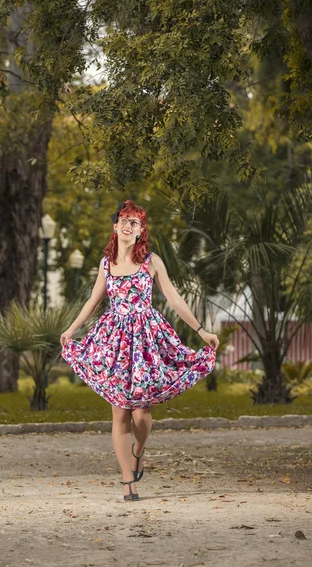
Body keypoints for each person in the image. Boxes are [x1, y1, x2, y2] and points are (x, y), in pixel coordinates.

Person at [60, 200, 219, 501]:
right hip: (114, 343)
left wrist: (202, 330)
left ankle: (139, 449)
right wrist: (71, 330)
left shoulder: (151, 262)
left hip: (146, 342)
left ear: (141, 230)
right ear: (115, 226)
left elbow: (175, 300)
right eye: (124, 219)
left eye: (135, 222)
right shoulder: (106, 264)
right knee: (120, 413)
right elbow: (92, 301)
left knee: (142, 414)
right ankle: (126, 481)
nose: (129, 225)